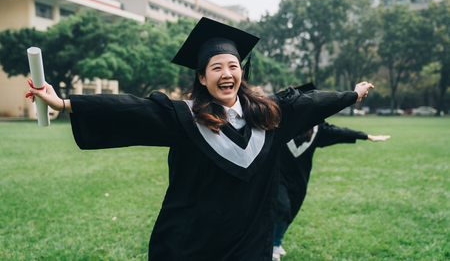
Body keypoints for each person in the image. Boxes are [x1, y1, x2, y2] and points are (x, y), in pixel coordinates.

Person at [27, 17, 373, 261]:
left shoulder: (268, 117)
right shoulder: (184, 118)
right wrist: (64, 103)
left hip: (247, 246)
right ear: (203, 77)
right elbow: (132, 110)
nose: (227, 73)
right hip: (195, 244)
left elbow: (311, 103)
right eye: (217, 67)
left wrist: (351, 95)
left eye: (233, 66)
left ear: (242, 72)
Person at [272, 84, 390, 261]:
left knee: (291, 210)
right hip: (277, 177)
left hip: (299, 179)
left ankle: (277, 242)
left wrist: (366, 136)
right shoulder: (280, 125)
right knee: (283, 207)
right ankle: (272, 245)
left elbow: (340, 133)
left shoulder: (319, 130)